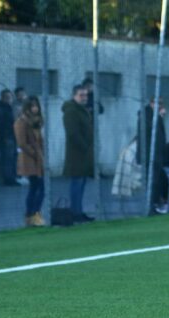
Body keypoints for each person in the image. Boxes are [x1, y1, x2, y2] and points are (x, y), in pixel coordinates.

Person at [62, 85, 94, 223]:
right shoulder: (71, 111)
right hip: (76, 154)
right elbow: (73, 132)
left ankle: (79, 211)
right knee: (77, 183)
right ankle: (75, 212)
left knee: (81, 183)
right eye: (81, 95)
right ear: (74, 95)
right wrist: (84, 146)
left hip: (84, 153)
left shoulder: (82, 110)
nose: (84, 98)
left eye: (85, 95)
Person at [14, 96, 45, 227]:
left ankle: (32, 215)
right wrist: (35, 154)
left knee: (36, 187)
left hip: (38, 158)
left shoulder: (36, 122)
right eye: (32, 106)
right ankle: (33, 215)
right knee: (38, 187)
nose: (35, 108)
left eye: (36, 105)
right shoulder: (21, 122)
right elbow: (22, 143)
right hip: (30, 159)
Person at [136, 98, 169, 214]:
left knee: (157, 180)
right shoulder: (147, 115)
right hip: (150, 155)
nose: (160, 106)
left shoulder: (151, 114)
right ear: (151, 103)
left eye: (161, 103)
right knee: (152, 181)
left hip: (155, 155)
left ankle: (154, 204)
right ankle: (150, 206)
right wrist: (159, 116)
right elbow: (151, 132)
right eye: (157, 103)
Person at [0, 89, 19, 186]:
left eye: (10, 97)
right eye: (6, 97)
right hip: (6, 136)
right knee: (8, 158)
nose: (9, 99)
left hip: (12, 136)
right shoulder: (0, 109)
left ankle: (12, 177)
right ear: (2, 98)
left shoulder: (9, 108)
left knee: (12, 158)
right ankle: (8, 179)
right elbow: (0, 125)